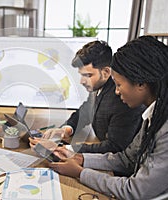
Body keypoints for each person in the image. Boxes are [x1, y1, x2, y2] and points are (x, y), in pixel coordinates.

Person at [49, 36, 168, 199]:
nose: (117, 91)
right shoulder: (154, 114)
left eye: (119, 84)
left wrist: (81, 172)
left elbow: (135, 191)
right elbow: (126, 158)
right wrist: (80, 158)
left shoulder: (162, 128)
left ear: (141, 84)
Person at [30, 40, 144, 153]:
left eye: (88, 75)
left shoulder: (122, 99)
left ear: (106, 72)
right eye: (81, 75)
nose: (82, 81)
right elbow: (85, 111)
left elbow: (114, 147)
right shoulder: (99, 86)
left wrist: (65, 148)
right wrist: (66, 129)